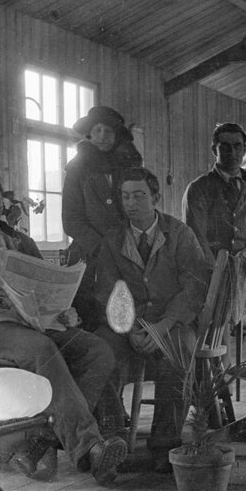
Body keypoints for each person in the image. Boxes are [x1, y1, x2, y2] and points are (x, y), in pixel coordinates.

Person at [0, 172, 128, 486]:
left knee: (98, 349)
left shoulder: (20, 241)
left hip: (38, 326)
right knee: (43, 349)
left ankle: (40, 440)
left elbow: (46, 286)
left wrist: (65, 313)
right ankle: (90, 446)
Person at [93, 167, 211, 472]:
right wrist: (129, 329)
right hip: (128, 326)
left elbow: (194, 287)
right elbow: (108, 291)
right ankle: (112, 440)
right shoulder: (113, 239)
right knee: (100, 351)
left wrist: (164, 325)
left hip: (170, 324)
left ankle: (164, 445)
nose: (131, 203)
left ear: (155, 197)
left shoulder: (179, 234)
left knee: (179, 352)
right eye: (125, 196)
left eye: (139, 195)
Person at [62, 105, 143, 329]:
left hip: (127, 252)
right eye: (97, 130)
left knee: (128, 317)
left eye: (108, 131)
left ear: (117, 136)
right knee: (92, 318)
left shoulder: (129, 168)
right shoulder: (77, 169)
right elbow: (71, 220)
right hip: (89, 256)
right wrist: (102, 247)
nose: (102, 137)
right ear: (89, 134)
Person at [182, 122, 246, 299]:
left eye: (237, 146)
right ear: (213, 150)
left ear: (245, 149)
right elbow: (196, 237)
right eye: (224, 147)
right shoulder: (198, 189)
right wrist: (215, 272)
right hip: (213, 268)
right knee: (220, 311)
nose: (232, 153)